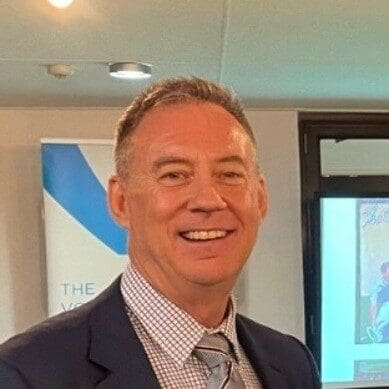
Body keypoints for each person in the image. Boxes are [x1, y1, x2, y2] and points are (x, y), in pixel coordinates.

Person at [0, 77, 320, 388]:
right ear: (120, 201)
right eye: (174, 175)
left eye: (229, 174)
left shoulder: (292, 362)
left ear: (260, 198)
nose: (208, 199)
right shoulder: (27, 373)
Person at [367, 261, 389, 343]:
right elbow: (373, 305)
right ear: (383, 274)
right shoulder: (377, 285)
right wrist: (373, 322)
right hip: (383, 311)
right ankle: (377, 332)